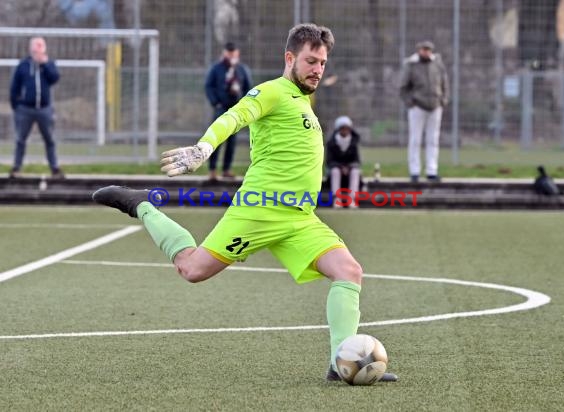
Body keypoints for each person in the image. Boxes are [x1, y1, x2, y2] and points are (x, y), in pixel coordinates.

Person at [93, 23, 397, 383]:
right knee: (192, 270)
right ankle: (141, 205)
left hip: (299, 219)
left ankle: (340, 361)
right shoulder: (271, 91)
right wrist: (204, 147)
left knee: (349, 272)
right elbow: (235, 116)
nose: (317, 69)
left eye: (323, 63)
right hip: (258, 212)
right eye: (310, 61)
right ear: (290, 58)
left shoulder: (303, 102)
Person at [9, 37, 64, 179]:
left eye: (40, 48)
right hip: (25, 109)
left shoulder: (49, 64)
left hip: (44, 109)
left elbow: (55, 78)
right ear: (30, 49)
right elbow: (14, 87)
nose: (37, 51)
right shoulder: (23, 65)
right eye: (35, 48)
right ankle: (16, 168)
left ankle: (55, 168)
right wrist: (16, 106)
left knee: (50, 139)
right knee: (20, 139)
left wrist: (44, 64)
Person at [399, 40, 448, 183]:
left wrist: (443, 100)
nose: (426, 52)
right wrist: (410, 102)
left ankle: (432, 171)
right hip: (417, 106)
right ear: (419, 50)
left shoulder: (437, 64)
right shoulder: (411, 65)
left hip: (435, 106)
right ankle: (414, 171)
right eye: (423, 49)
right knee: (415, 139)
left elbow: (445, 83)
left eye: (428, 50)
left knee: (433, 140)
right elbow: (403, 87)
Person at [204, 42, 252, 180]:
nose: (231, 56)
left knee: (232, 141)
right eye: (229, 53)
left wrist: (243, 104)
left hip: (236, 109)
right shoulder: (216, 69)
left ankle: (226, 168)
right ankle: (212, 170)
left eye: (234, 53)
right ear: (224, 53)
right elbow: (209, 86)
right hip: (221, 108)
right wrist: (216, 102)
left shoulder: (241, 69)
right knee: (217, 139)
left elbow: (248, 88)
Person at [326, 115, 361, 209]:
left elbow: (356, 161)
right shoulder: (331, 143)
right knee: (335, 171)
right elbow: (329, 161)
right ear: (338, 129)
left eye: (347, 128)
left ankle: (352, 199)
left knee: (355, 171)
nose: (345, 131)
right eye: (343, 128)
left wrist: (349, 167)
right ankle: (337, 199)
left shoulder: (353, 142)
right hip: (336, 171)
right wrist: (341, 167)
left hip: (349, 172)